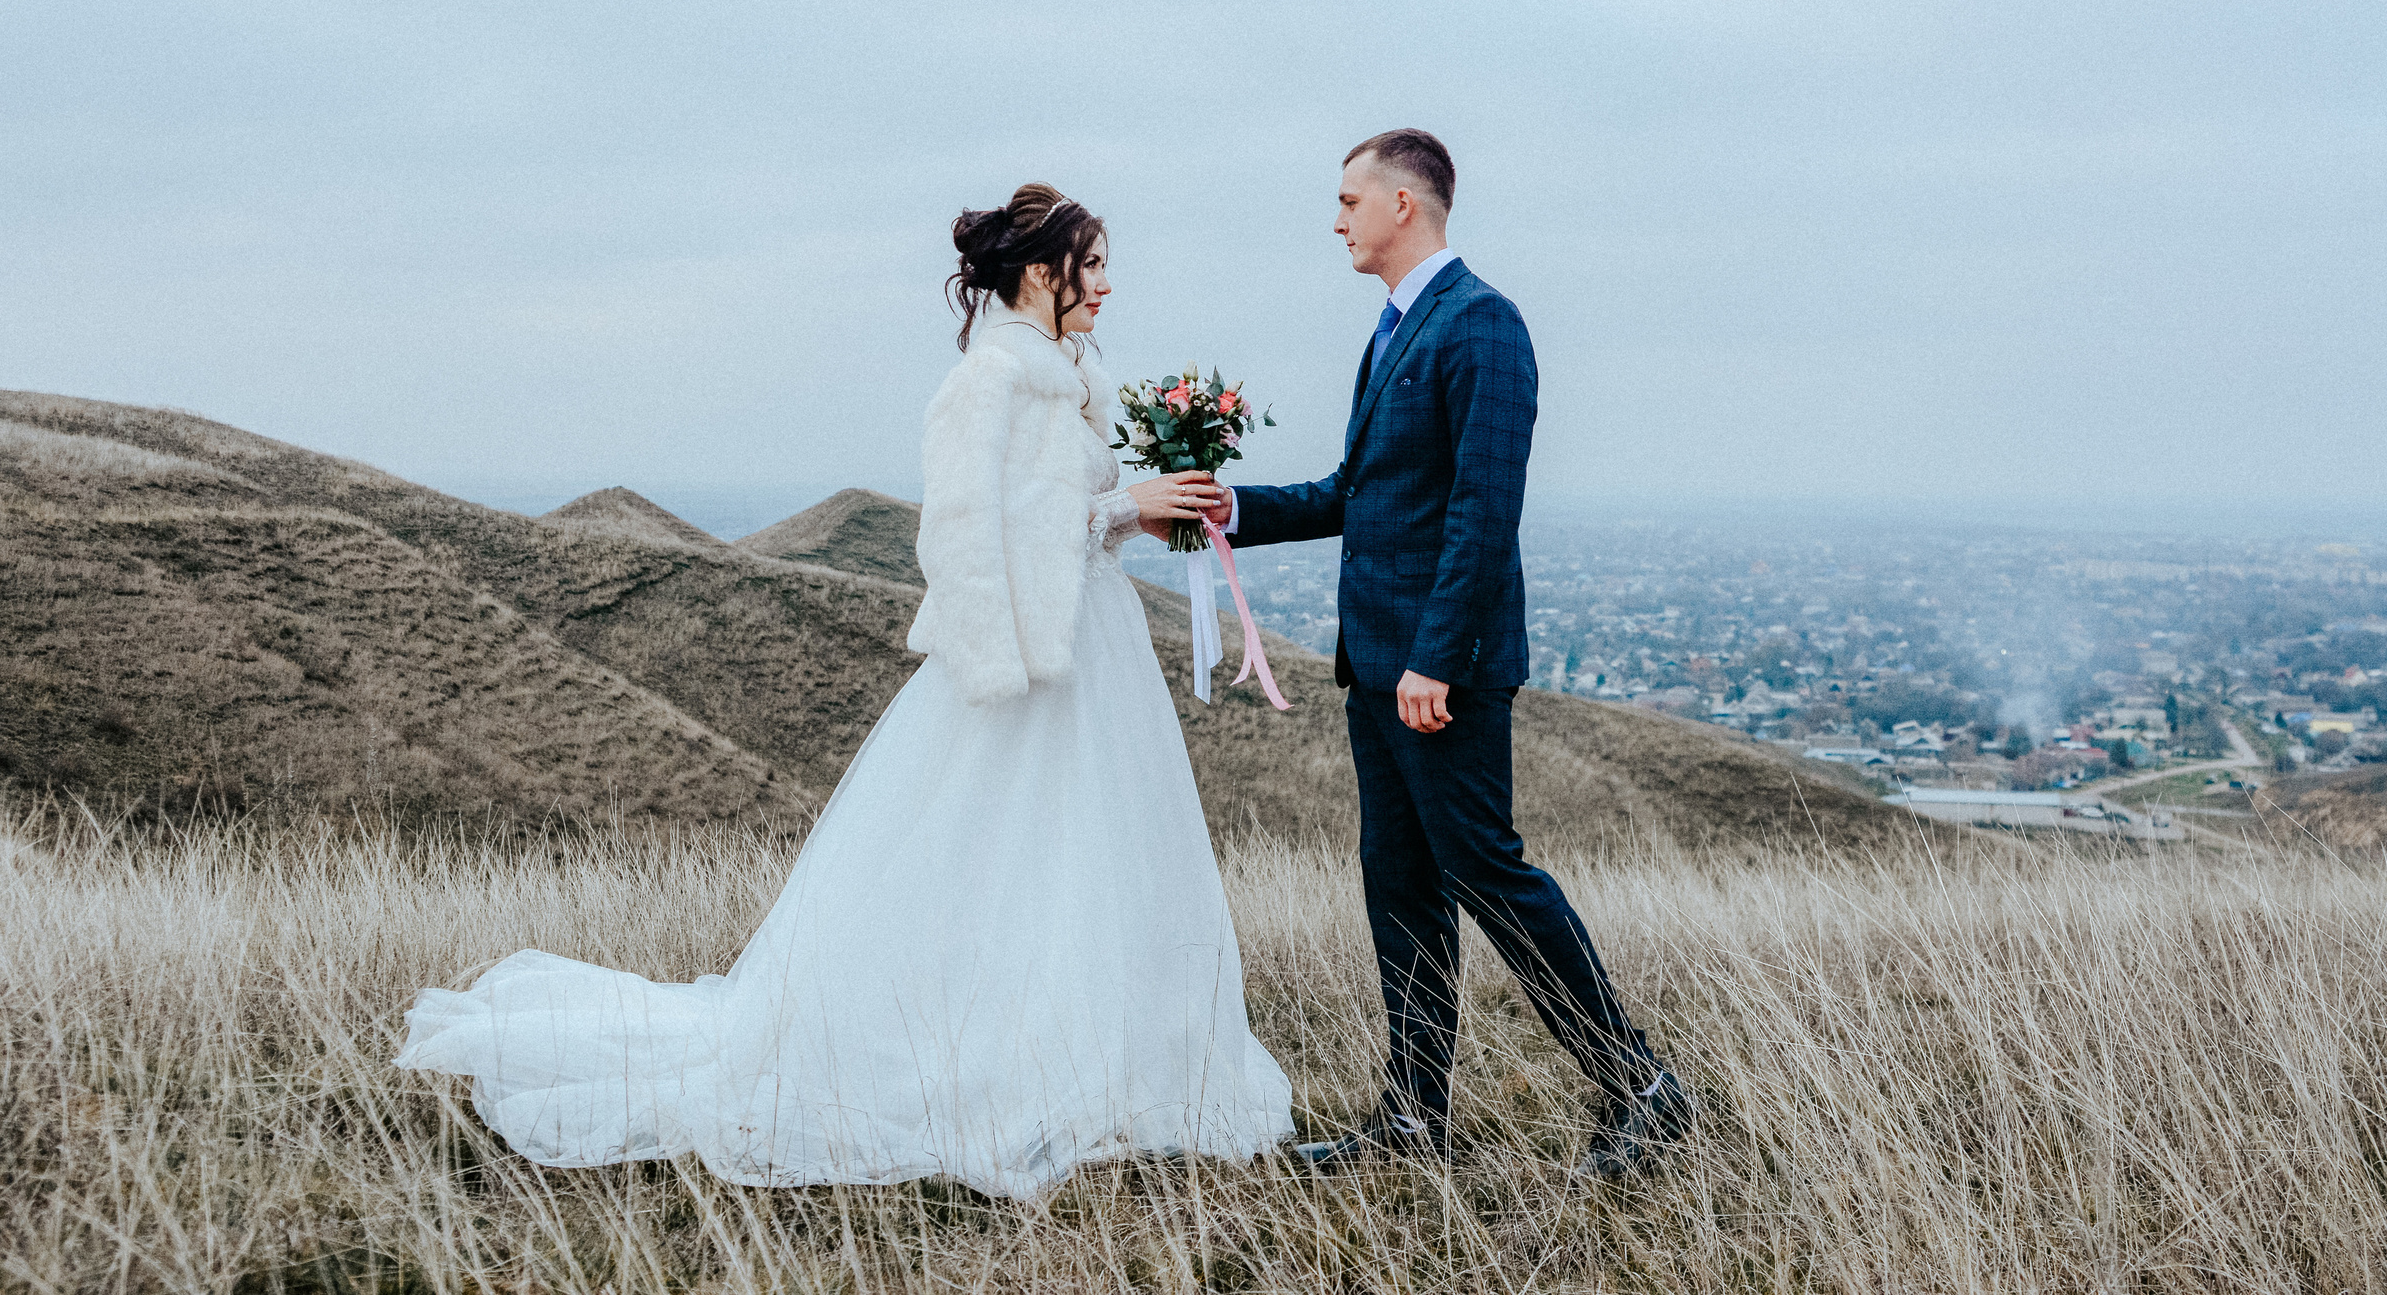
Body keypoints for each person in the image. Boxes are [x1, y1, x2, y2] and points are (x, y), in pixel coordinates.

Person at [395, 184, 1296, 1201]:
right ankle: (982, 1060)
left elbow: (1060, 518)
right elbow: (962, 535)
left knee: (1090, 852)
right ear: (1041, 272)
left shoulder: (1069, 381)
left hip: (1091, 650)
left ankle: (1109, 1060)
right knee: (999, 856)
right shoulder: (990, 380)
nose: (1104, 284)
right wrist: (1113, 508)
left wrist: (1138, 513)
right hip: (1023, 663)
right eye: (1090, 264)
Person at [1212, 129, 1692, 1176]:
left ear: (1403, 203)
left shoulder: (1482, 323)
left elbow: (1483, 507)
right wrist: (1226, 508)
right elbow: (1358, 494)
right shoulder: (1392, 330)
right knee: (1399, 885)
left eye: (1349, 200)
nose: (1336, 220)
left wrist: (1433, 659)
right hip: (1376, 666)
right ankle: (1412, 1120)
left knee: (1487, 870)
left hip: (1441, 669)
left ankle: (1643, 1088)